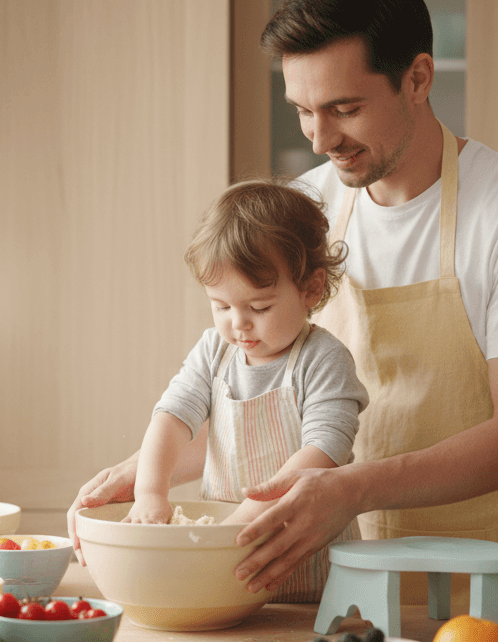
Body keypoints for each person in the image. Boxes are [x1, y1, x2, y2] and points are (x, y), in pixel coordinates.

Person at [68, 0, 498, 602]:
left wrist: (352, 488)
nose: (320, 140)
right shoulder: (305, 211)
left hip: (487, 584)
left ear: (418, 79)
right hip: (341, 591)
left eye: (345, 109)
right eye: (303, 111)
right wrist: (141, 475)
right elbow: (269, 416)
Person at [122, 179, 369, 603]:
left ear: (310, 289)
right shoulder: (214, 351)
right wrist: (150, 492)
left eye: (259, 307)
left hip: (310, 579)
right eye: (221, 306)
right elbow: (171, 417)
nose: (238, 324)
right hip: (226, 569)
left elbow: (323, 451)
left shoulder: (324, 360)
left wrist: (238, 527)